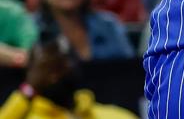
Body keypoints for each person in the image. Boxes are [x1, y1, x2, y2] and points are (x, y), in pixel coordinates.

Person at [0, 36, 137, 118]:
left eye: (63, 63)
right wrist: (28, 89)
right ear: (31, 72)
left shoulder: (116, 115)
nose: (56, 74)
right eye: (47, 67)